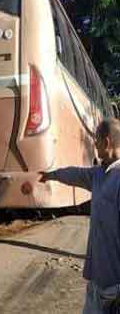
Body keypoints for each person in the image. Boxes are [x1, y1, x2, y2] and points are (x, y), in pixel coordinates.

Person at [40, 118, 120, 314]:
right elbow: (74, 174)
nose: (94, 145)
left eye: (96, 140)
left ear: (107, 142)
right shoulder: (99, 174)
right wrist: (50, 175)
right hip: (97, 281)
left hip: (114, 286)